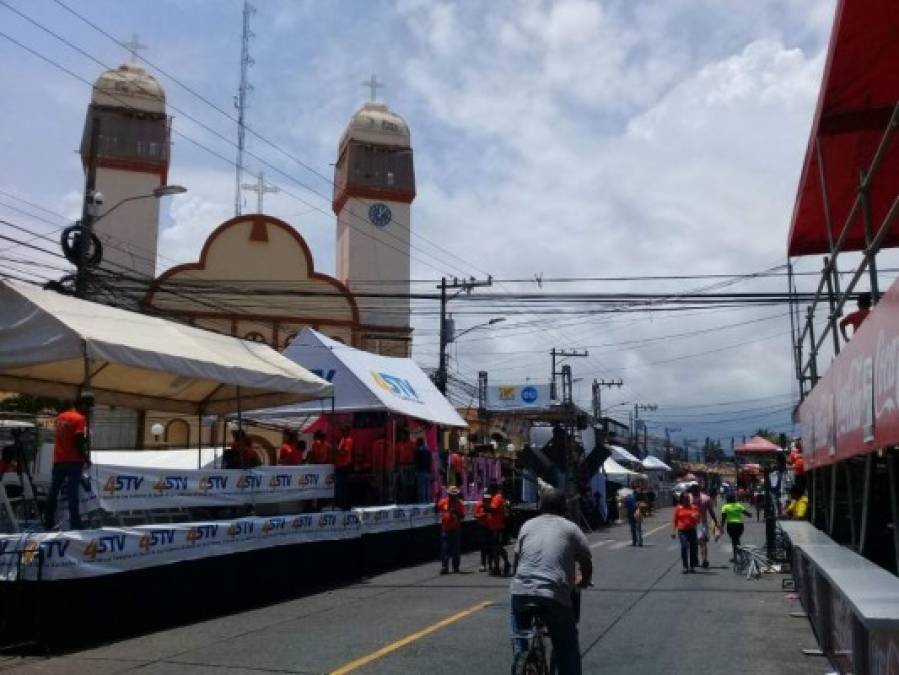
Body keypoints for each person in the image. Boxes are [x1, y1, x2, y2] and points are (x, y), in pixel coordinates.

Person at [511, 488, 592, 675]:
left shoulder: (527, 525)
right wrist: (584, 581)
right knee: (567, 646)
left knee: (516, 610)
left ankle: (521, 649)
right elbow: (586, 562)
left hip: (521, 592)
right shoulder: (570, 528)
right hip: (553, 596)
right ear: (565, 508)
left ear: (540, 506)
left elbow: (517, 561)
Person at [44, 394, 92, 530]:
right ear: (82, 405)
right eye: (88, 407)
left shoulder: (60, 417)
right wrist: (85, 458)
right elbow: (78, 440)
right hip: (74, 461)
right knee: (72, 493)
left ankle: (48, 520)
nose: (88, 411)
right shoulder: (79, 418)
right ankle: (75, 523)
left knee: (53, 491)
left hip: (59, 459)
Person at [688, 484, 720, 569]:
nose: (694, 493)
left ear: (699, 490)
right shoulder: (688, 498)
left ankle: (704, 560)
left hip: (702, 523)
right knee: (693, 543)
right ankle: (695, 560)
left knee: (702, 543)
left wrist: (716, 522)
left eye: (696, 491)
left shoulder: (705, 498)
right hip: (690, 523)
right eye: (693, 491)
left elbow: (711, 511)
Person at [437, 486, 465, 574]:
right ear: (448, 494)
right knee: (445, 548)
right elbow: (437, 508)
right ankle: (445, 566)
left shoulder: (459, 503)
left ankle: (456, 567)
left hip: (455, 528)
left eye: (454, 495)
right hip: (445, 528)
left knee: (456, 548)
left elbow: (462, 517)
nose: (453, 496)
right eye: (451, 494)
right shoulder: (443, 502)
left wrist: (455, 512)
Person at [487, 481, 511, 576]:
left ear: (492, 489)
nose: (488, 491)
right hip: (494, 526)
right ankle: (497, 567)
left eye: (489, 489)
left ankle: (506, 563)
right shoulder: (495, 497)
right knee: (495, 548)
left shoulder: (497, 497)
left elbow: (493, 509)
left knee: (498, 547)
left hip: (498, 527)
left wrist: (485, 506)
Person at [671, 493, 699, 573]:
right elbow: (675, 520)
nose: (687, 500)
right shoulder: (678, 508)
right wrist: (673, 531)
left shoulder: (694, 508)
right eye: (685, 499)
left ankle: (692, 566)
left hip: (692, 530)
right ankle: (685, 566)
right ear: (682, 499)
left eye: (688, 499)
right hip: (682, 531)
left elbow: (698, 520)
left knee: (693, 548)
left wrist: (696, 517)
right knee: (684, 546)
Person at [720, 493, 753, 562]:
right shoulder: (738, 505)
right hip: (739, 525)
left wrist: (721, 527)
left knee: (734, 541)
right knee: (736, 540)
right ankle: (739, 554)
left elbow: (723, 518)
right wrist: (750, 514)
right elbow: (747, 514)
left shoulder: (725, 507)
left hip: (731, 526)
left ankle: (737, 556)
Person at [333, 427, 354, 509]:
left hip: (344, 466)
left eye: (344, 430)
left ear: (348, 431)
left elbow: (343, 452)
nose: (343, 432)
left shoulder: (348, 440)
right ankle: (342, 504)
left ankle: (346, 504)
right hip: (340, 465)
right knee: (340, 486)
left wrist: (336, 448)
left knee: (344, 486)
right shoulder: (343, 439)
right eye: (342, 430)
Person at [475, 491, 492, 572]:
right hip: (482, 527)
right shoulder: (479, 505)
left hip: (491, 527)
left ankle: (490, 564)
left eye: (488, 499)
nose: (487, 500)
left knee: (490, 546)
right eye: (485, 499)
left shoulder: (492, 505)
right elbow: (475, 515)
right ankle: (483, 564)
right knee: (483, 546)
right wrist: (482, 515)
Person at [414, 437, 432, 503]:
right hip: (427, 471)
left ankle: (422, 501)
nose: (416, 443)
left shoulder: (418, 450)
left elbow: (416, 462)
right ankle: (428, 500)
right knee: (427, 487)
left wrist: (415, 471)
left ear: (419, 442)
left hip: (420, 471)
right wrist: (430, 471)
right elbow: (430, 461)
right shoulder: (428, 450)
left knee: (421, 487)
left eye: (417, 442)